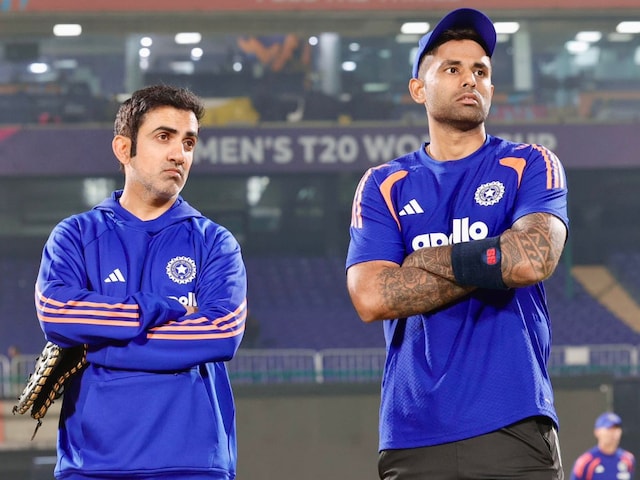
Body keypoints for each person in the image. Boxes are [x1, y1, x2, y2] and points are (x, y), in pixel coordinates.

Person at [345, 8, 568, 480]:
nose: (470, 79)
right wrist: (493, 259)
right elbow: (371, 296)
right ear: (418, 89)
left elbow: (531, 259)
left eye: (480, 71)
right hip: (412, 432)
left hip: (514, 421)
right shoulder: (384, 183)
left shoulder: (530, 163)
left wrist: (423, 260)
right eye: (452, 69)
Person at [35, 84, 247, 480]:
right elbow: (57, 313)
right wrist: (158, 309)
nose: (179, 154)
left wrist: (97, 346)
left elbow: (221, 333)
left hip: (193, 464)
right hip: (92, 464)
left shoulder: (215, 242)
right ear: (123, 148)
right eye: (163, 137)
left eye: (188, 142)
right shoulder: (75, 235)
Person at [571, 412, 636, 480]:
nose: (613, 433)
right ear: (597, 432)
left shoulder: (628, 459)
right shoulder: (586, 461)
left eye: (616, 428)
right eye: (609, 428)